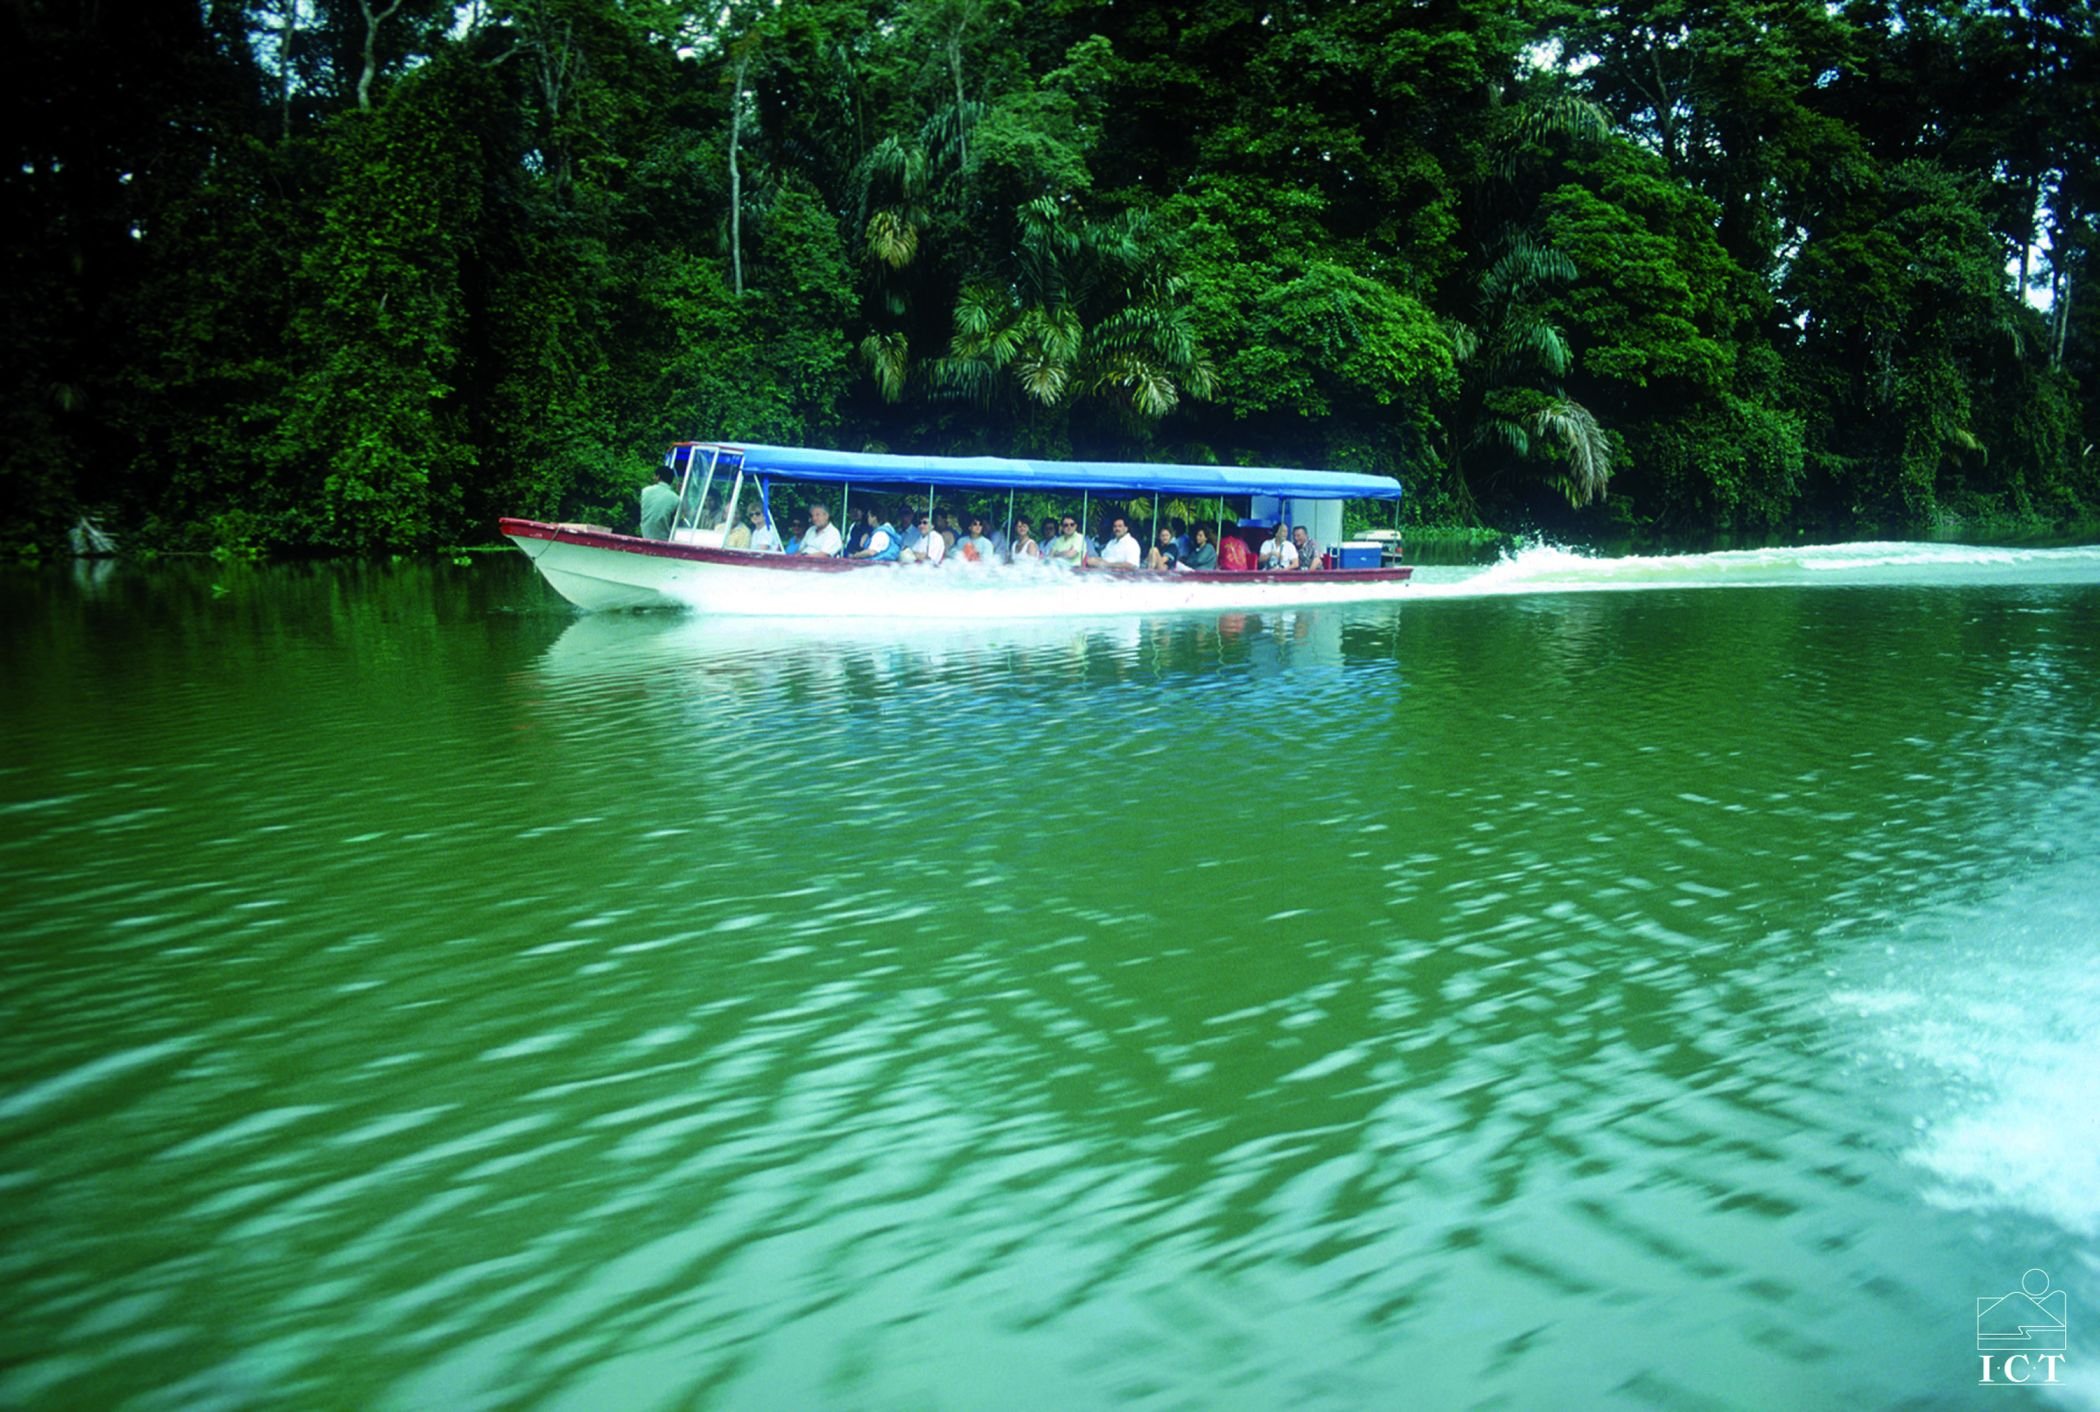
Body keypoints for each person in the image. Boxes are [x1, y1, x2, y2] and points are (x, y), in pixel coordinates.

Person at [639, 466, 679, 540]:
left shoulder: (645, 491)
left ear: (658, 477)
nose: (653, 478)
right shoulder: (675, 498)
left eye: (654, 475)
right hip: (663, 539)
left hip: (644, 535)